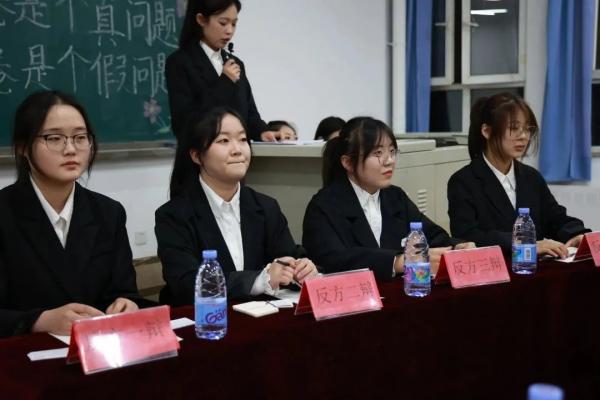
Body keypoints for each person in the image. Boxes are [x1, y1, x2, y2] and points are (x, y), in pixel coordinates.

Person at [0, 90, 147, 337]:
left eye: (80, 137)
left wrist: (126, 304)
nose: (70, 149)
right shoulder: (5, 213)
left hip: (98, 349)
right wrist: (40, 321)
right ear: (23, 147)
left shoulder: (108, 213)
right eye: (54, 138)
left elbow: (123, 291)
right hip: (25, 353)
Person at [155, 107, 318, 305]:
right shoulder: (173, 215)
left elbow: (288, 256)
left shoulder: (266, 207)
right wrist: (258, 280)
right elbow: (186, 284)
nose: (237, 150)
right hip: (206, 319)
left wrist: (302, 269)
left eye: (242, 139)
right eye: (224, 140)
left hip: (263, 316)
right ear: (197, 155)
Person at [302, 117, 473, 280]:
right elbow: (332, 260)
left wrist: (456, 246)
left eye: (392, 151)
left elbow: (432, 235)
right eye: (378, 153)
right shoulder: (324, 205)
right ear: (348, 162)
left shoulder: (395, 196)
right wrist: (397, 262)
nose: (389, 161)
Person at [447, 92, 589, 258]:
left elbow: (555, 218)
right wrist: (527, 243)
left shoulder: (531, 177)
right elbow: (468, 237)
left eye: (527, 129)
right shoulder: (463, 181)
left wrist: (578, 235)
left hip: (534, 268)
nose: (524, 136)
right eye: (514, 128)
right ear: (487, 131)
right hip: (495, 269)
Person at [166, 0, 280, 142]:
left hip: (238, 153)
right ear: (201, 20)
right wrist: (225, 83)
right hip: (201, 154)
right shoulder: (180, 62)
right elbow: (184, 123)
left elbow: (250, 114)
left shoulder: (236, 63)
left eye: (234, 24)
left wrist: (262, 131)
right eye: (223, 23)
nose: (229, 31)